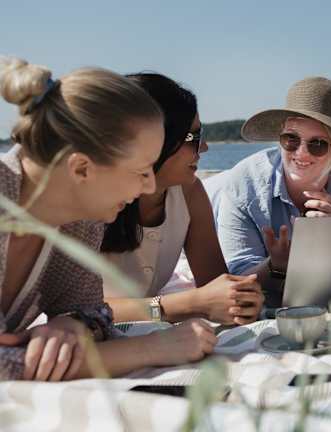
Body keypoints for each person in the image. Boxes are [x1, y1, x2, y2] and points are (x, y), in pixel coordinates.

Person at [0, 58, 217, 381]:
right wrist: (152, 348)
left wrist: (72, 324)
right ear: (81, 169)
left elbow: (95, 312)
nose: (149, 186)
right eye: (141, 171)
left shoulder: (80, 220)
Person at [100, 73, 263, 325]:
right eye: (193, 137)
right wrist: (188, 304)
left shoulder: (189, 192)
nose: (204, 147)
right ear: (153, 141)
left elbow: (214, 286)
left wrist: (240, 300)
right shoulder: (91, 202)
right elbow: (82, 312)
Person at [206, 77, 331, 308]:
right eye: (291, 139)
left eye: (318, 144)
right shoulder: (243, 184)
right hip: (205, 205)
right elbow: (239, 278)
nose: (301, 153)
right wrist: (276, 266)